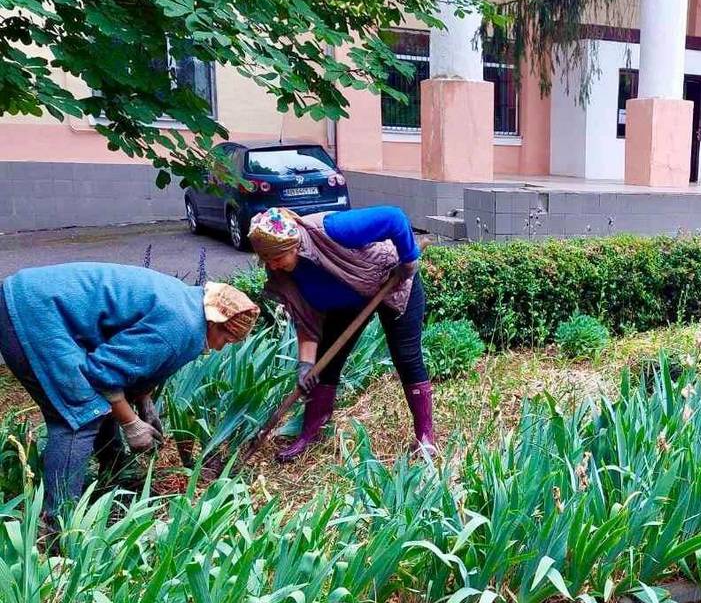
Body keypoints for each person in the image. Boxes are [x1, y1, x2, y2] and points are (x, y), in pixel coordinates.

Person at [0, 263, 258, 529]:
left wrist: (143, 402)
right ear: (215, 322)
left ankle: (112, 475)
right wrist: (131, 423)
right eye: (225, 340)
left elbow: (132, 362)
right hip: (32, 313)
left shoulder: (189, 305)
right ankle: (58, 525)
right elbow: (102, 374)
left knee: (98, 403)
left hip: (35, 299)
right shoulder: (182, 328)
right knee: (80, 416)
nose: (219, 349)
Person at [247, 206, 432, 462]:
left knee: (406, 356)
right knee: (325, 363)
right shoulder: (282, 273)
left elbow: (395, 218)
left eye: (276, 258)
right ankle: (311, 433)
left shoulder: (332, 229)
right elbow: (307, 320)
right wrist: (305, 365)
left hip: (392, 281)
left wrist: (408, 260)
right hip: (349, 299)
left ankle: (425, 437)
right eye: (266, 260)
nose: (272, 266)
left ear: (294, 245)